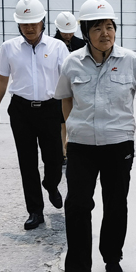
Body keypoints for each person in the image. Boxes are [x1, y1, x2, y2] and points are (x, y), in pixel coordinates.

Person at [54, 0, 136, 272]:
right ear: (86, 32)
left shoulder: (129, 60)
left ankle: (112, 257)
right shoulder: (72, 62)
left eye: (110, 26)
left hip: (117, 143)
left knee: (115, 204)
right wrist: (68, 133)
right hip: (82, 145)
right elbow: (65, 98)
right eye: (97, 27)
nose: (105, 33)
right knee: (77, 205)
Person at [0, 0, 69, 230]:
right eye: (25, 23)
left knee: (54, 158)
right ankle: (35, 211)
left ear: (43, 21)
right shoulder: (9, 48)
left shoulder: (57, 47)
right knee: (27, 161)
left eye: (34, 22)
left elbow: (68, 79)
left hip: (50, 108)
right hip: (21, 110)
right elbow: (2, 79)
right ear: (18, 24)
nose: (30, 28)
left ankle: (51, 184)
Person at [53, 12, 86, 161]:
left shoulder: (81, 44)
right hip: (59, 88)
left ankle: (75, 149)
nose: (68, 35)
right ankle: (63, 152)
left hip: (78, 87)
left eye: (70, 32)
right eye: (65, 32)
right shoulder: (52, 45)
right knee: (61, 121)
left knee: (76, 119)